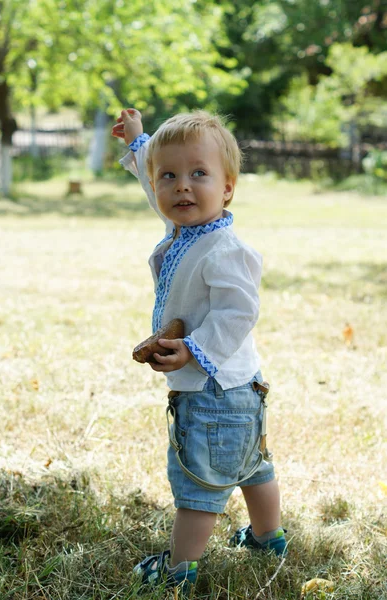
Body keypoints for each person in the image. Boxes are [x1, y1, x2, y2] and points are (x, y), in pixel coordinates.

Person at [112, 108, 287, 591]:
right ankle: (267, 537)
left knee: (199, 485)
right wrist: (139, 142)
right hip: (242, 389)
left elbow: (237, 313)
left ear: (228, 187)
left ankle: (177, 571)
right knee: (252, 465)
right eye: (170, 176)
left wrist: (192, 349)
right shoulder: (189, 227)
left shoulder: (222, 249)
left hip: (212, 392)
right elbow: (158, 185)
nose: (181, 187)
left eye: (198, 175)